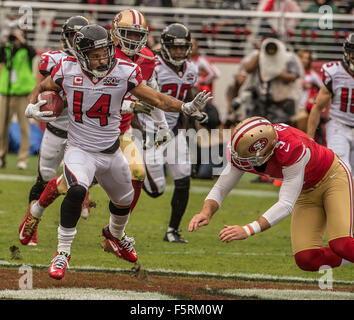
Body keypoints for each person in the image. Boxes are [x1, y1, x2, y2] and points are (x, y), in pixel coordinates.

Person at [25, 24, 211, 280]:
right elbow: (45, 88)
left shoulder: (124, 71)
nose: (102, 58)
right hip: (80, 150)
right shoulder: (66, 68)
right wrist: (32, 107)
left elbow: (156, 98)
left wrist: (185, 107)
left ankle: (115, 236)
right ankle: (62, 253)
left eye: (104, 52)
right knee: (77, 189)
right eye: (95, 54)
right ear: (81, 55)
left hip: (112, 151)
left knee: (124, 201)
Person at [189, 116, 354, 272]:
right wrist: (206, 212)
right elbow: (221, 187)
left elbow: (285, 204)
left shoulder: (292, 148)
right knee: (306, 258)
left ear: (267, 149)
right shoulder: (244, 146)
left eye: (249, 159)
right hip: (306, 189)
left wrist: (248, 230)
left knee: (342, 244)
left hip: (332, 178)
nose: (241, 162)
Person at [18, 16, 90, 247]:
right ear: (65, 38)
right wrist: (33, 104)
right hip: (56, 128)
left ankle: (82, 197)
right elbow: (42, 86)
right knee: (44, 178)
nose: (77, 41)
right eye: (73, 36)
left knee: (87, 176)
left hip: (82, 132)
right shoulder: (55, 59)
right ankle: (32, 222)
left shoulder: (98, 61)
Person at [138, 23, 205, 243]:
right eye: (174, 47)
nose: (178, 51)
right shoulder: (153, 66)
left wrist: (194, 118)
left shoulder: (191, 70)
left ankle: (172, 231)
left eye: (181, 47)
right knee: (156, 190)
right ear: (165, 46)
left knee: (183, 178)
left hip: (174, 131)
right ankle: (130, 171)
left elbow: (186, 100)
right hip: (150, 131)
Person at [307, 33, 354, 172]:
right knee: (342, 167)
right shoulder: (335, 72)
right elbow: (317, 107)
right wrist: (309, 138)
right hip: (339, 125)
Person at [0, 27, 37, 169]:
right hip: (6, 94)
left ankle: (23, 159)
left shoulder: (26, 50)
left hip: (22, 95)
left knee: (24, 128)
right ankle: (1, 156)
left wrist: (22, 41)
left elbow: (33, 53)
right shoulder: (7, 49)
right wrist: (5, 41)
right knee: (2, 127)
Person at [295, 49, 324, 138]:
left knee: (301, 136)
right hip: (289, 108)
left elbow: (324, 88)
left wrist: (314, 97)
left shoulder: (312, 75)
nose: (304, 60)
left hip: (302, 109)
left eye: (307, 58)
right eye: (302, 57)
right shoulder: (291, 72)